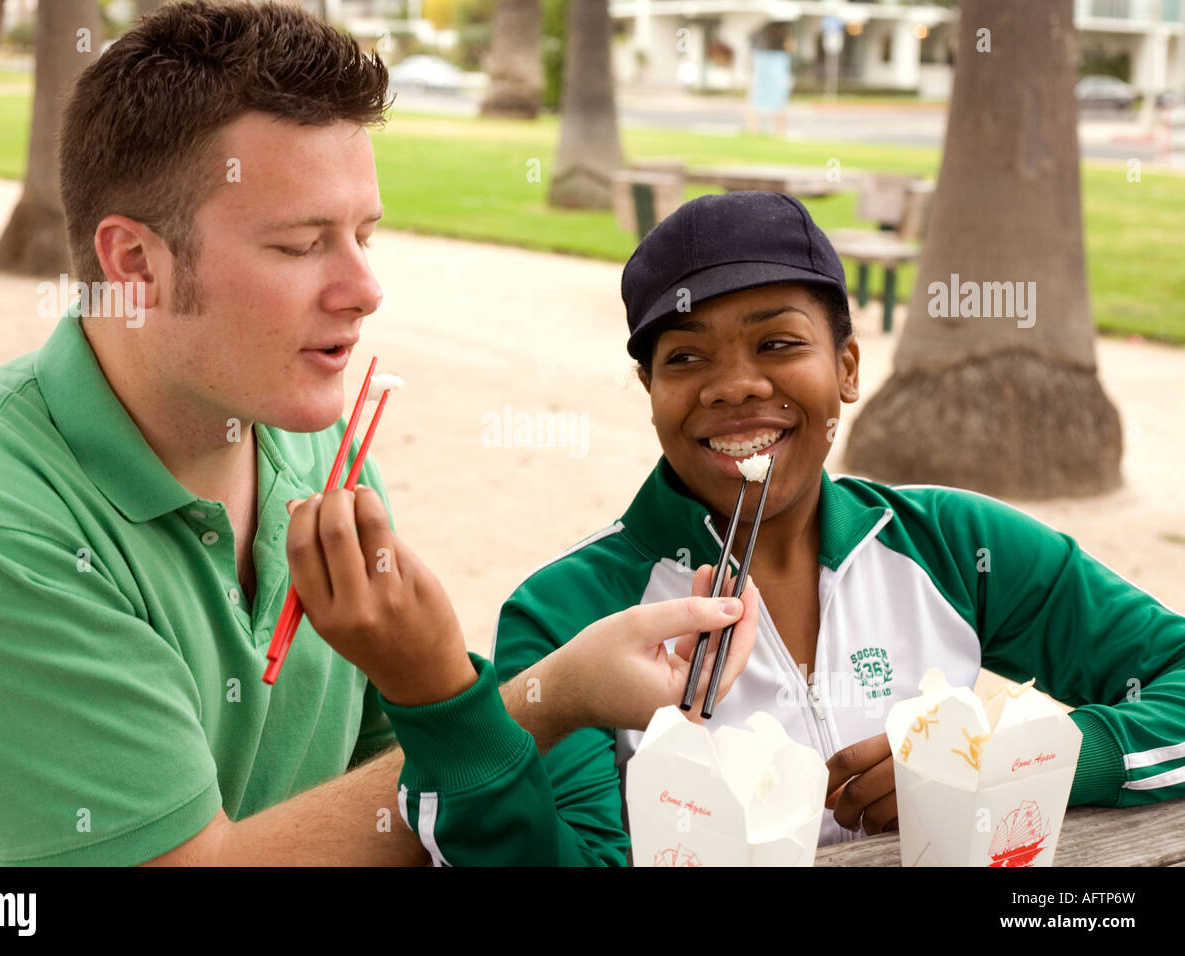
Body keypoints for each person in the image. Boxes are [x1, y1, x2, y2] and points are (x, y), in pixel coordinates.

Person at [0, 1, 756, 866]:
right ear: (134, 264)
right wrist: (546, 696)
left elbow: (390, 769)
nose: (366, 288)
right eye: (303, 245)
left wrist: (462, 698)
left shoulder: (309, 449)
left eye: (364, 235)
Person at [391, 190, 1185, 865]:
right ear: (649, 387)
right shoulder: (569, 609)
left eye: (777, 343)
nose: (735, 386)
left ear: (847, 367)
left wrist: (1002, 763)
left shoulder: (953, 543)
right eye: (686, 359)